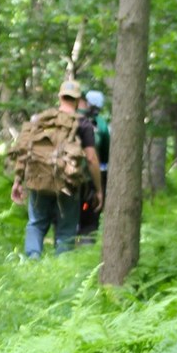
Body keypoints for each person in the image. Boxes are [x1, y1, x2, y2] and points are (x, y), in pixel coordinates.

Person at [11, 79, 103, 258]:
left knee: (36, 224)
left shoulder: (41, 120)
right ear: (78, 100)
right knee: (66, 229)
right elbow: (91, 158)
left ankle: (32, 259)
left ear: (60, 97)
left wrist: (17, 181)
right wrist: (99, 189)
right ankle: (60, 267)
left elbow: (25, 150)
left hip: (38, 178)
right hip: (67, 183)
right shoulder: (83, 124)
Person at [77, 89, 110, 245]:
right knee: (90, 218)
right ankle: (86, 246)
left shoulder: (68, 118)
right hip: (91, 179)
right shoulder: (100, 123)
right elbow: (106, 151)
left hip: (66, 176)